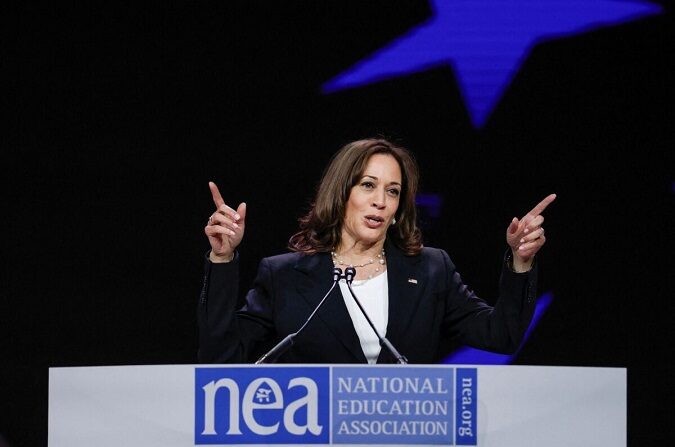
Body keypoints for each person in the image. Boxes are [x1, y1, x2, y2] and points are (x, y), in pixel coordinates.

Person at [198, 138, 555, 364]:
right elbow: (222, 356)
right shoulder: (284, 276)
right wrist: (222, 259)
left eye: (393, 191)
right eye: (368, 185)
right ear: (342, 193)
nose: (381, 202)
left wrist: (521, 263)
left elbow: (501, 336)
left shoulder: (431, 270)